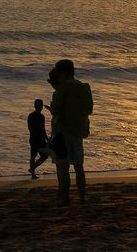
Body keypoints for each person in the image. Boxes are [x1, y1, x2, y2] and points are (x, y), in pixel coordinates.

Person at [48, 59, 93, 205]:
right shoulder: (84, 87)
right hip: (78, 131)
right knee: (79, 167)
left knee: (62, 167)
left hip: (61, 132)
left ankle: (63, 197)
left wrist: (51, 108)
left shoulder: (61, 90)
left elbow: (56, 110)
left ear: (60, 72)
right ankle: (81, 196)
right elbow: (89, 109)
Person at [27, 99, 50, 178]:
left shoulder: (30, 115)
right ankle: (32, 168)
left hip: (32, 137)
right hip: (40, 139)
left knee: (32, 156)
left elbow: (29, 127)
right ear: (41, 107)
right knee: (44, 156)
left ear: (34, 105)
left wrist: (32, 134)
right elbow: (42, 129)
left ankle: (33, 174)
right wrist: (47, 139)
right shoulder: (41, 116)